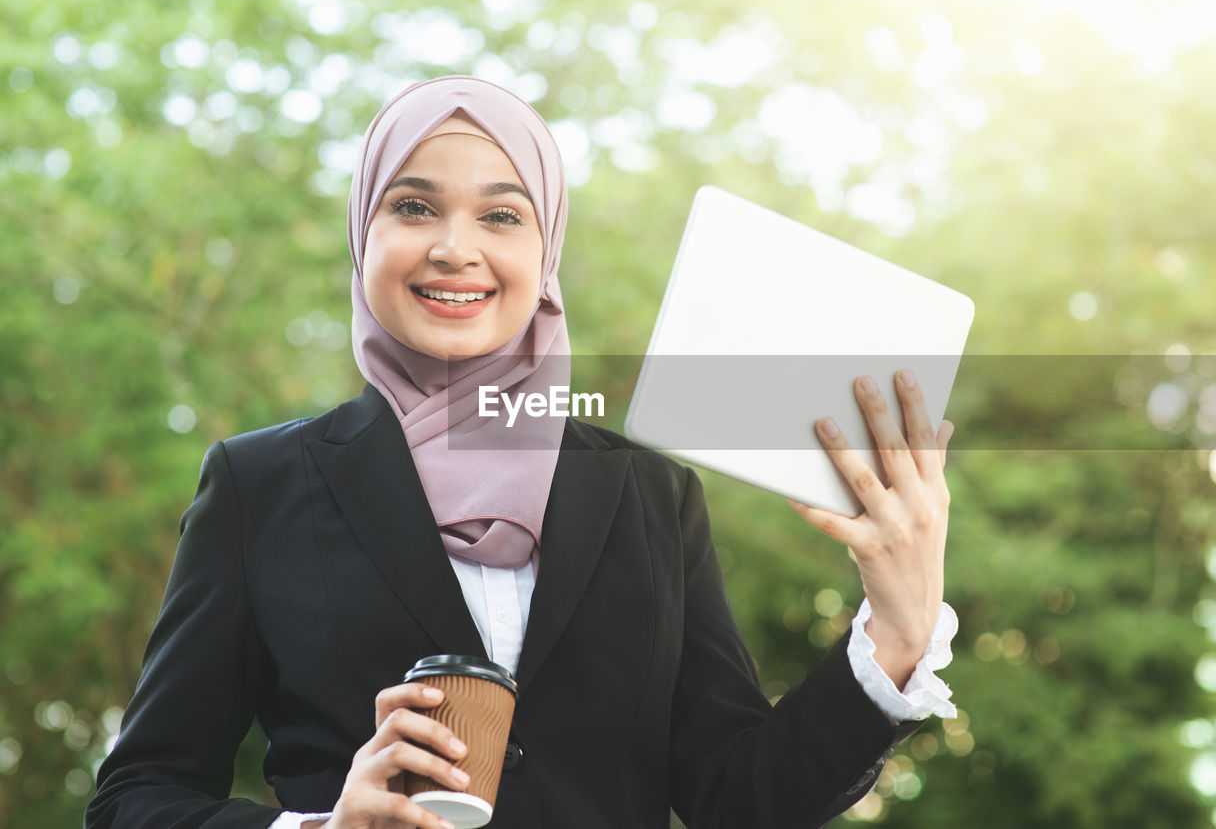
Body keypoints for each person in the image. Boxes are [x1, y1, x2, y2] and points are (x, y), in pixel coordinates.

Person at [86, 75, 958, 829]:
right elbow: (136, 797)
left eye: (502, 214)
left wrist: (896, 633)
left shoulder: (649, 494)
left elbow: (741, 800)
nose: (454, 247)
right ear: (365, 235)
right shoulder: (261, 484)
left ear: (546, 254)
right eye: (413, 204)